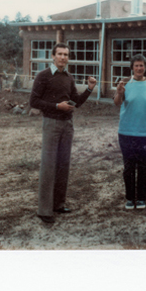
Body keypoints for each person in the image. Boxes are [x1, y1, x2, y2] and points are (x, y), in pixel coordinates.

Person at [30, 42, 97, 224]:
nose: (63, 57)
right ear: (53, 56)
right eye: (59, 54)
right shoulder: (43, 76)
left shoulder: (69, 77)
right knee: (49, 165)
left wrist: (89, 88)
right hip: (51, 124)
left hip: (67, 125)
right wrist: (56, 106)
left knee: (63, 165)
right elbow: (34, 101)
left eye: (66, 55)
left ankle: (59, 204)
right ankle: (44, 210)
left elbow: (76, 102)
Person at [114, 54, 146, 210]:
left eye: (142, 65)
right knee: (129, 167)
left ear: (145, 67)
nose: (139, 68)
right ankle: (130, 198)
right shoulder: (125, 82)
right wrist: (120, 92)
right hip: (127, 132)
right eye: (136, 65)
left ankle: (141, 198)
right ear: (132, 67)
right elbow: (117, 103)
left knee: (143, 167)